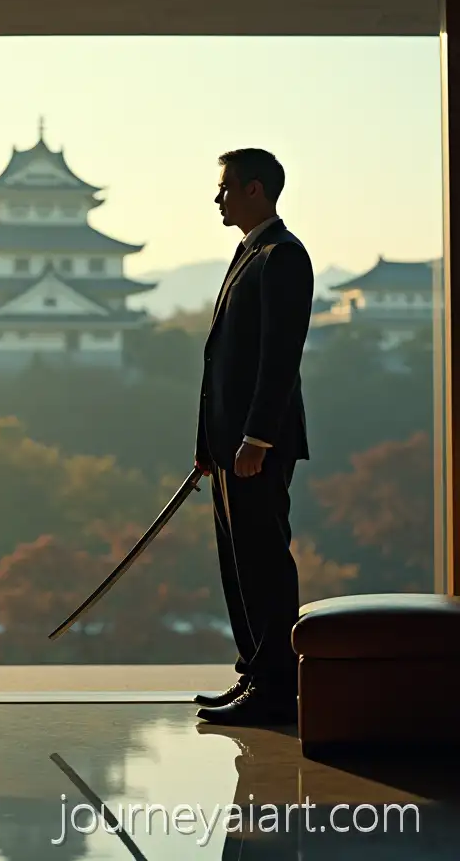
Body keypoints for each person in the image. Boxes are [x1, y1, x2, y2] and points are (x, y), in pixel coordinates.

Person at [193, 148, 313, 726]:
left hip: (255, 447)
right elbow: (220, 360)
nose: (217, 198)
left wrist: (258, 439)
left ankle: (276, 688)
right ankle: (255, 675)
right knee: (239, 563)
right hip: (230, 445)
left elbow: (279, 358)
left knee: (264, 561)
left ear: (255, 190)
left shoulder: (283, 256)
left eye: (225, 188)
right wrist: (206, 444)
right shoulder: (250, 253)